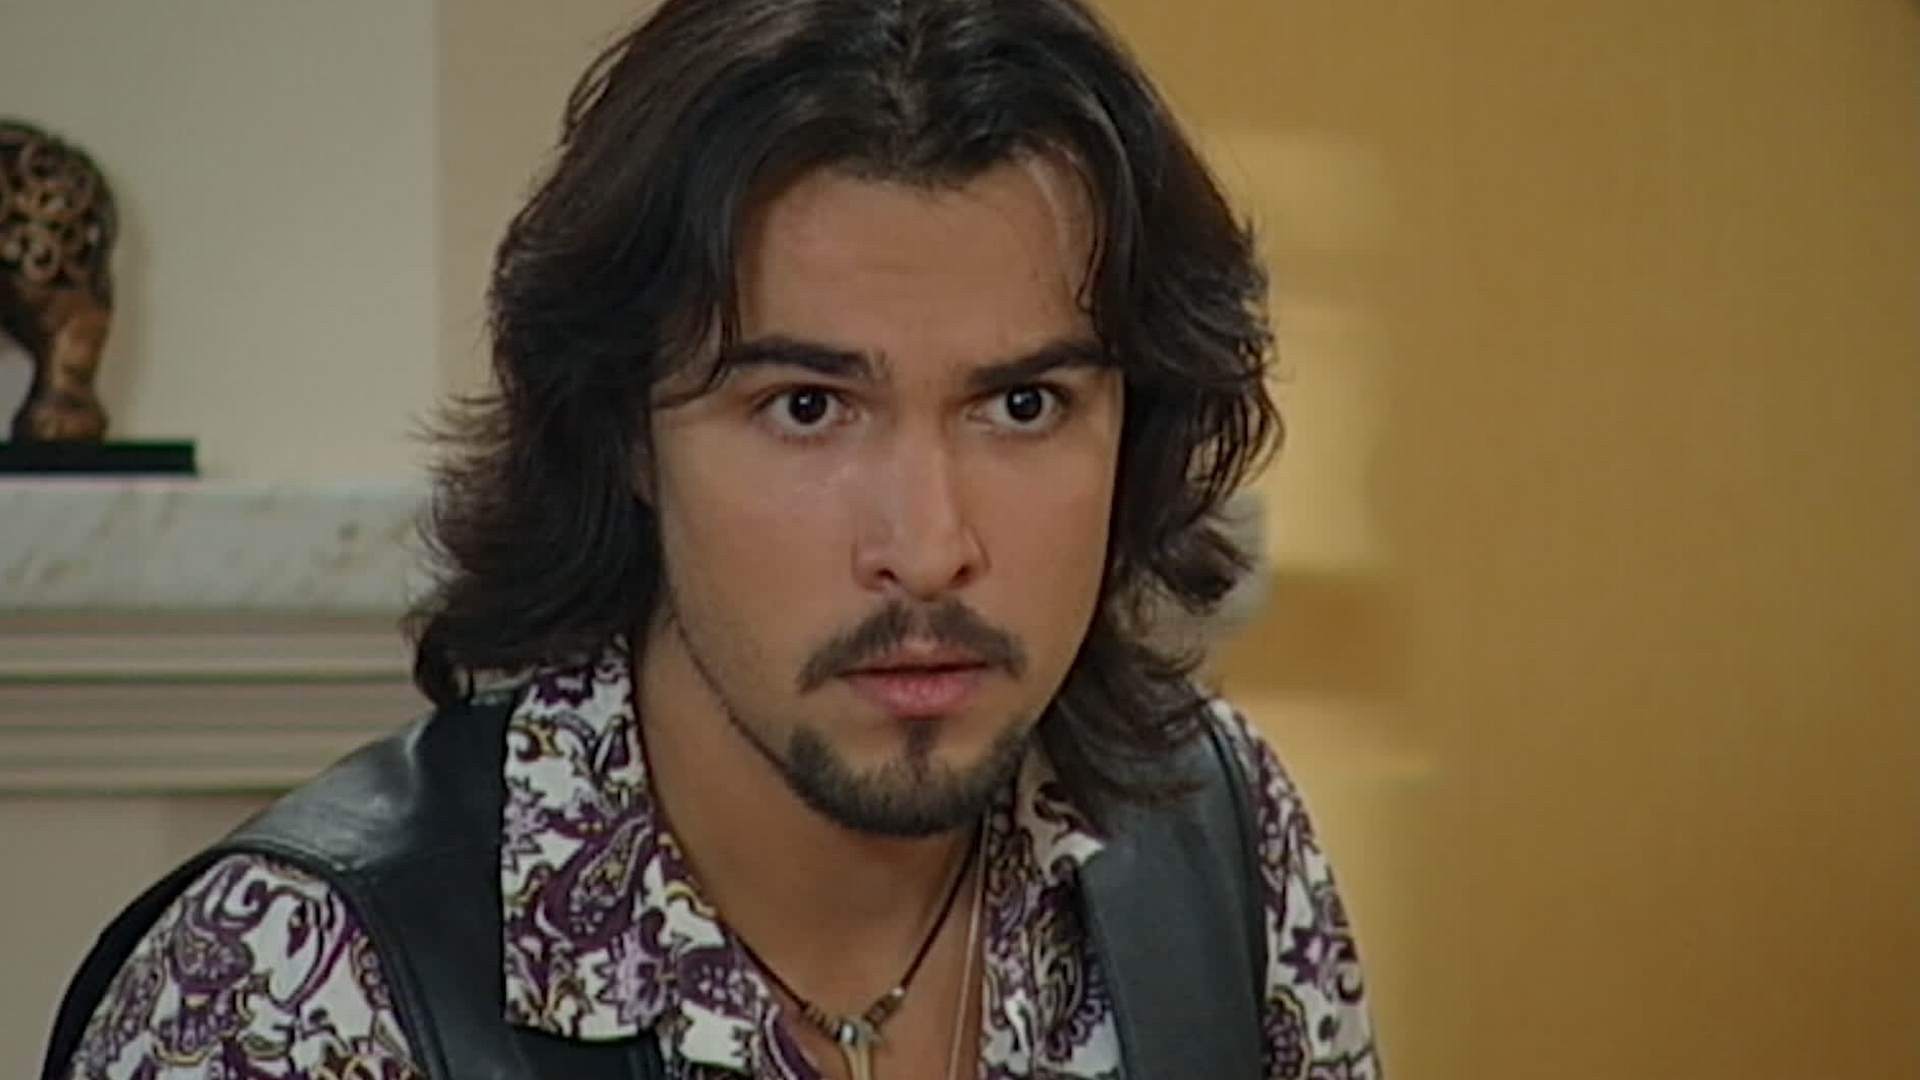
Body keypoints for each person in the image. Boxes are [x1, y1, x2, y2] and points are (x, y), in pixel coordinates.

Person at [44, 1, 1381, 1077]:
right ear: (627, 433)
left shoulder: (1220, 842)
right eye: (806, 407)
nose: (929, 549)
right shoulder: (291, 994)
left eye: (1023, 405)